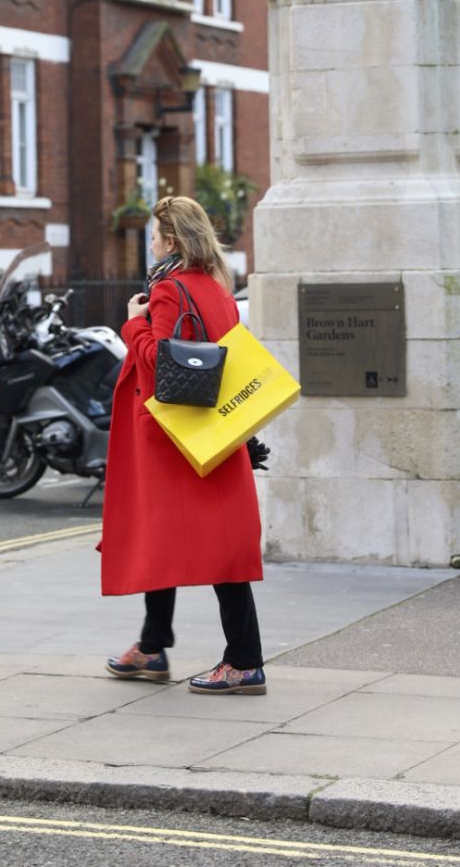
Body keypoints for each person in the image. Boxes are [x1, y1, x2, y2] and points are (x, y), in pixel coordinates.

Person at [101, 194, 266, 695]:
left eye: (153, 236)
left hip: (174, 440)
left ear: (170, 240)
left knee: (210, 548)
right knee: (174, 538)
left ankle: (244, 660)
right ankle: (152, 647)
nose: (149, 244)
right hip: (209, 432)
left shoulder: (170, 290)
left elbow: (160, 361)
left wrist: (133, 321)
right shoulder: (215, 288)